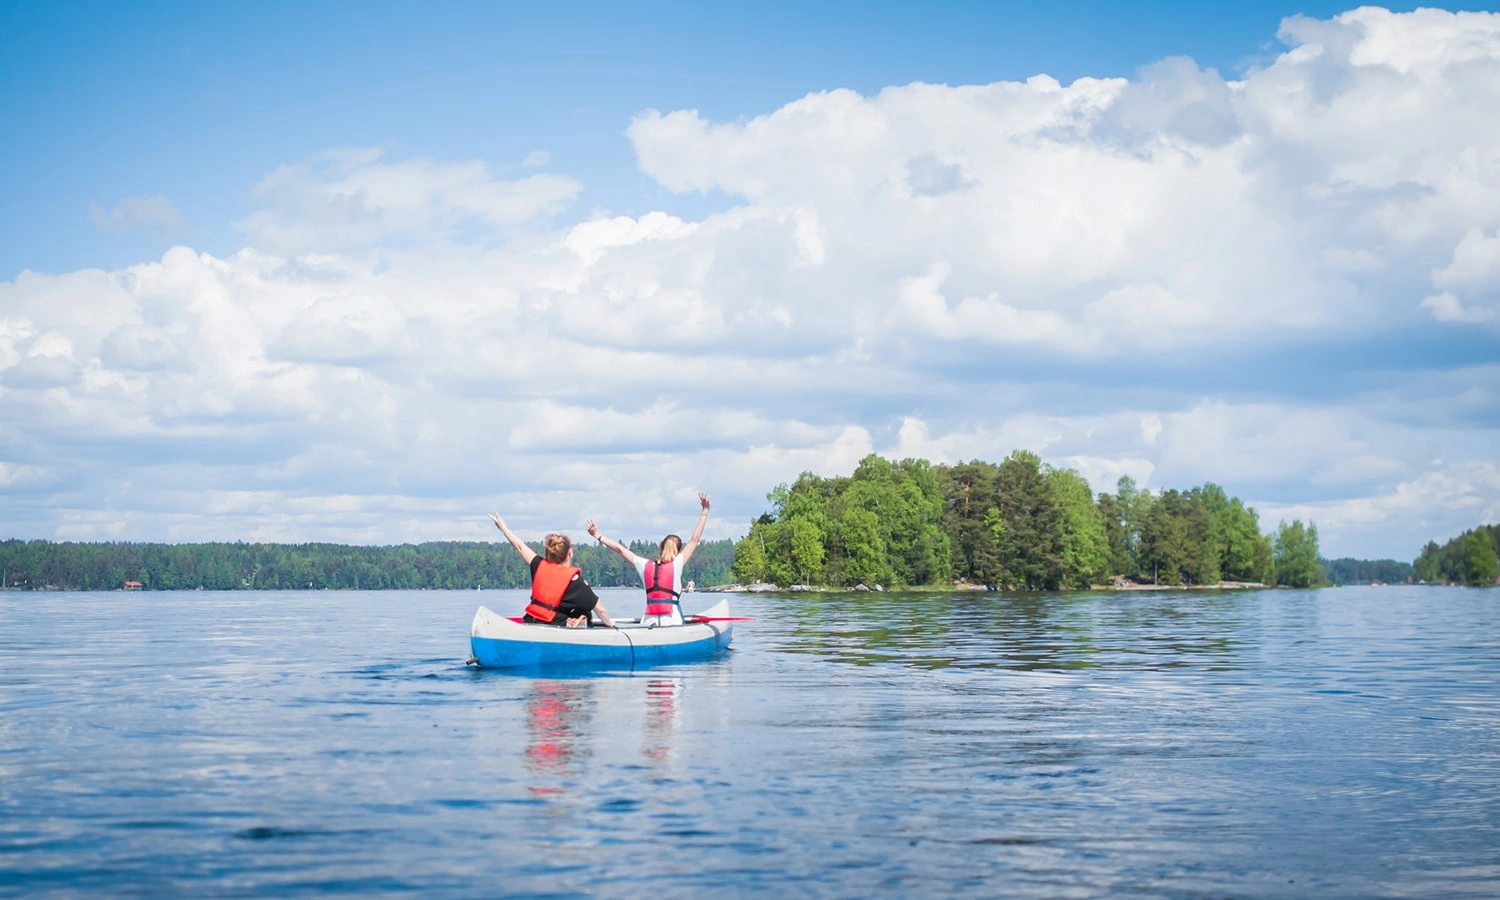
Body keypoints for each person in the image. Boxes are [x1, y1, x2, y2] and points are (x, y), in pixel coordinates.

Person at [588, 493, 710, 627]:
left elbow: (620, 549)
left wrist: (597, 535)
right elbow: (695, 539)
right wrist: (704, 511)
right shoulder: (677, 563)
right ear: (677, 551)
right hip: (672, 620)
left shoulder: (644, 565)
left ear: (660, 546)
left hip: (648, 621)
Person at [490, 512, 614, 628]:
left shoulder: (538, 565)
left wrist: (503, 528)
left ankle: (575, 620)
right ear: (569, 553)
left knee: (580, 611)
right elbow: (601, 610)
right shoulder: (576, 582)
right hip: (552, 626)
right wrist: (610, 625)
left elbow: (520, 547)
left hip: (530, 620)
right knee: (585, 611)